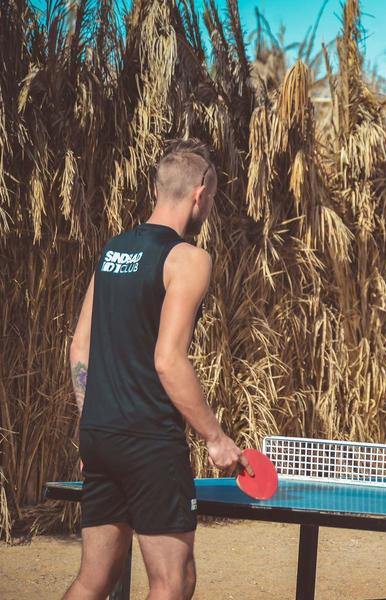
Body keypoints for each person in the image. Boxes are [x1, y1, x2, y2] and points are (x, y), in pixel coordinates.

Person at [64, 139, 252, 600]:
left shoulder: (112, 253)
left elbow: (78, 347)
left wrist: (93, 424)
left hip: (101, 435)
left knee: (95, 578)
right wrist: (215, 437)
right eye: (212, 196)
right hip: (148, 441)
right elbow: (168, 361)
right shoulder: (188, 259)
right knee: (174, 580)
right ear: (199, 193)